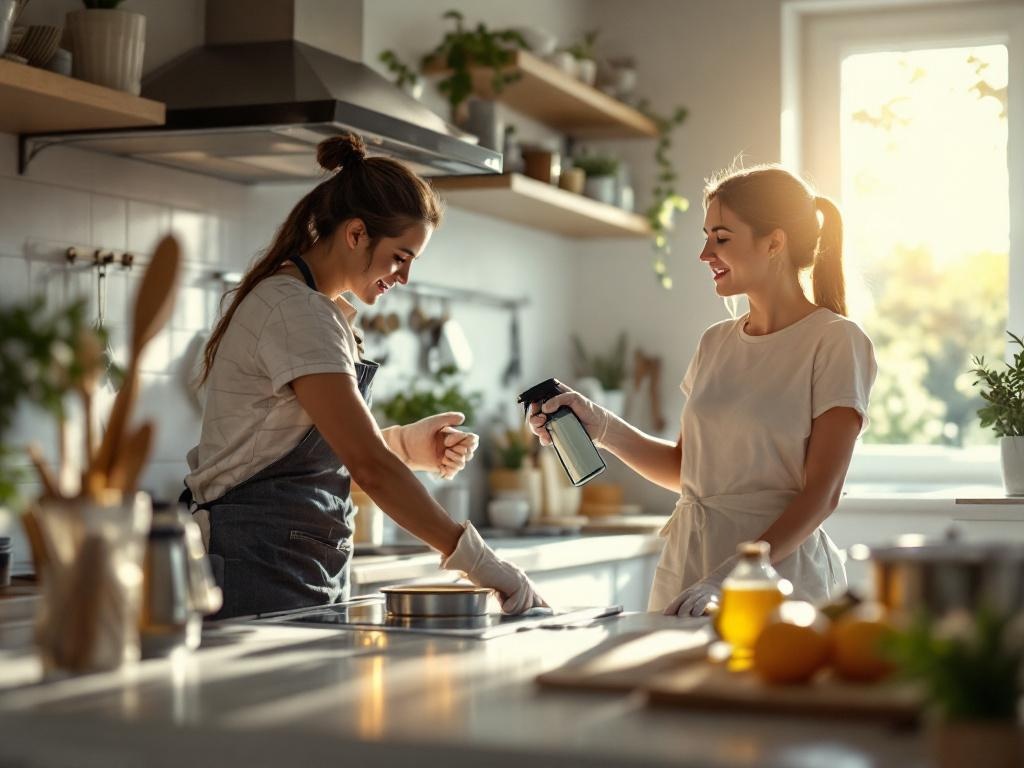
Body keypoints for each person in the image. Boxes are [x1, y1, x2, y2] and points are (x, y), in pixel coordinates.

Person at [182, 133, 545, 619]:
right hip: (258, 574)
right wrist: (483, 564)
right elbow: (367, 466)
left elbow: (303, 448)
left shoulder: (316, 310)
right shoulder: (297, 312)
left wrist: (403, 446)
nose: (403, 278)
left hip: (293, 572)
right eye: (400, 257)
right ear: (356, 234)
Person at [528, 165, 876, 617]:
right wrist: (600, 425)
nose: (704, 253)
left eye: (722, 238)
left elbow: (821, 496)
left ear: (774, 242)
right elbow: (685, 470)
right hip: (688, 570)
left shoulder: (836, 340)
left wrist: (732, 577)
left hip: (775, 580)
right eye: (707, 235)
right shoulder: (715, 342)